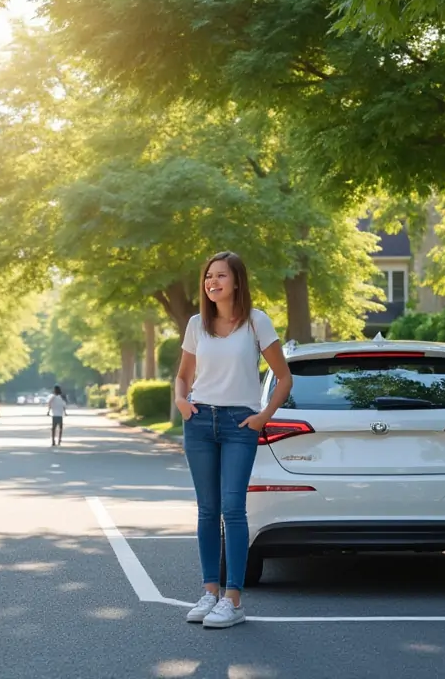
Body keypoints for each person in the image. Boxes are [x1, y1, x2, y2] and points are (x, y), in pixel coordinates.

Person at [174, 251, 293, 630]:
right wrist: (181, 401)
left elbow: (284, 377)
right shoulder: (197, 324)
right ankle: (210, 592)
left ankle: (233, 599)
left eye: (221, 276)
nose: (213, 282)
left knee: (232, 509)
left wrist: (262, 417)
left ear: (237, 282)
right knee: (207, 510)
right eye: (209, 277)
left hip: (239, 423)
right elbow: (182, 376)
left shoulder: (256, 323)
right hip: (199, 421)